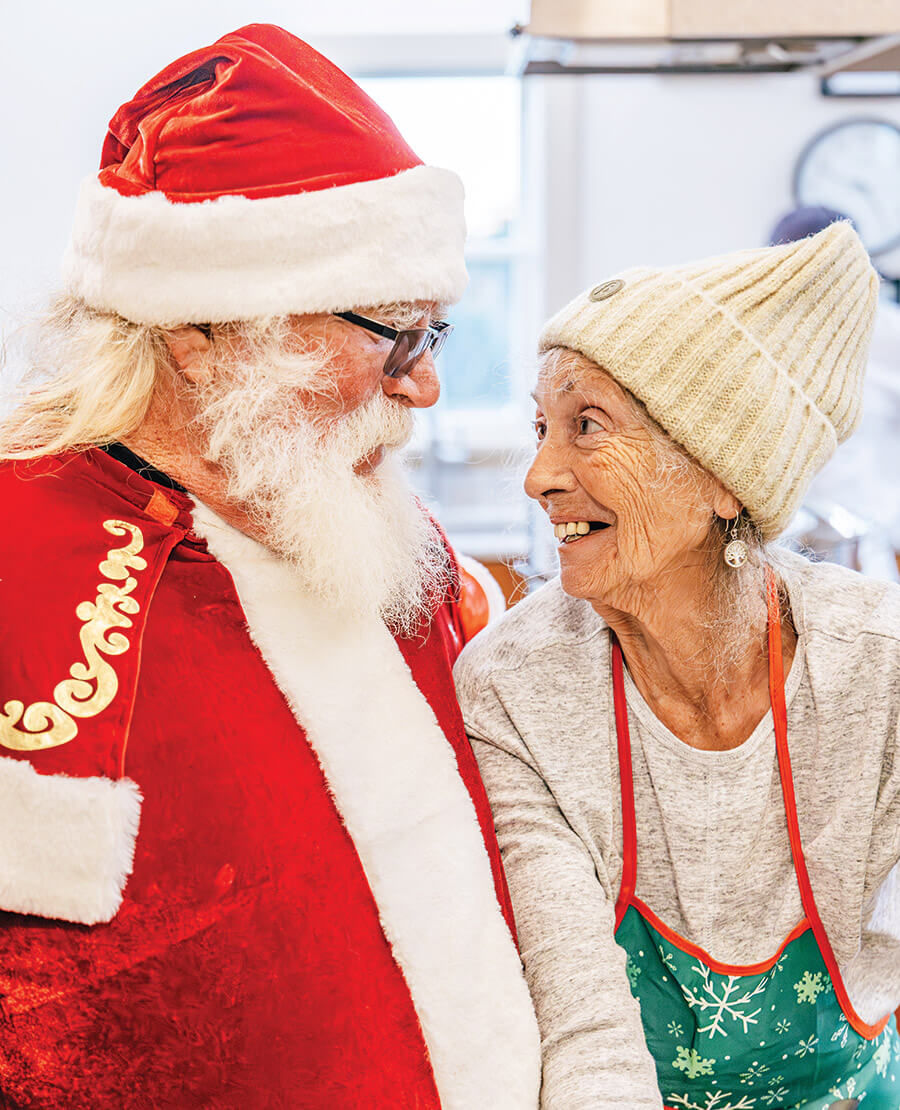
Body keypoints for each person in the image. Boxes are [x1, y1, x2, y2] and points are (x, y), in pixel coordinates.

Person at [0, 25, 540, 1109]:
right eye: (397, 335)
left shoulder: (387, 537)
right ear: (205, 330)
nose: (424, 387)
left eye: (433, 336)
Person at [454, 222, 900, 1109]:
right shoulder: (513, 687)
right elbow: (584, 1031)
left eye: (588, 427)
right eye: (541, 428)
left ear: (725, 476)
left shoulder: (876, 668)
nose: (540, 476)